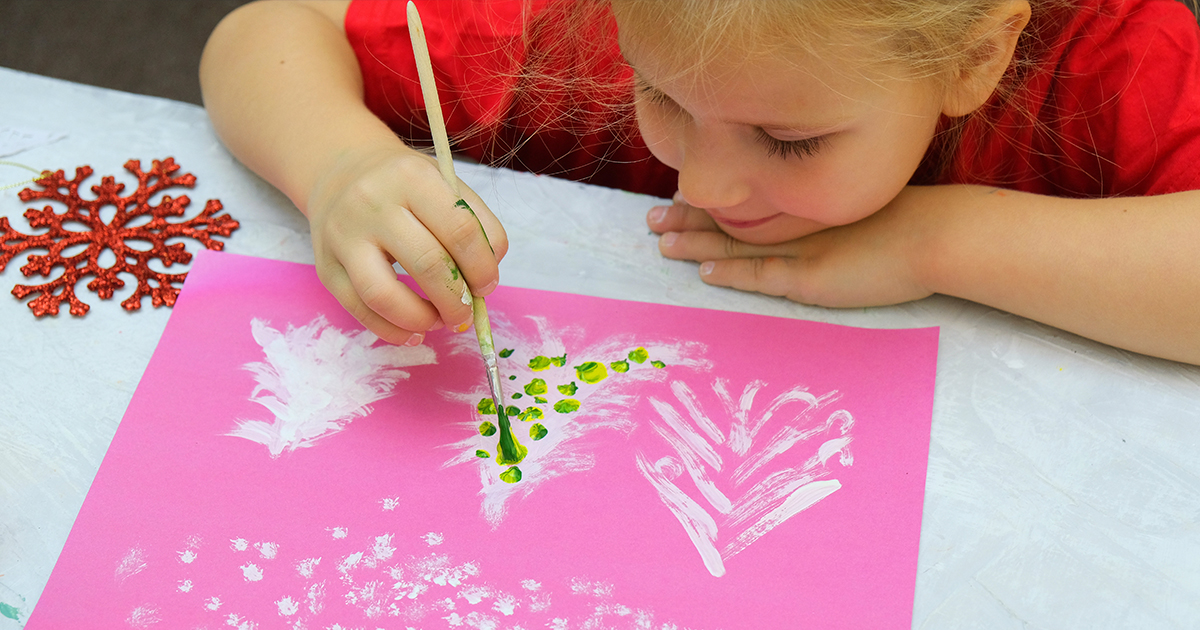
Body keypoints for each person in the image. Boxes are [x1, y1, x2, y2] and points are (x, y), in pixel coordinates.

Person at [200, 0, 1200, 365]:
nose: (709, 178)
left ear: (975, 60)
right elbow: (268, 31)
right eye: (663, 99)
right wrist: (341, 165)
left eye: (787, 137)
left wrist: (938, 241)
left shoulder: (1119, 57)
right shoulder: (590, 25)